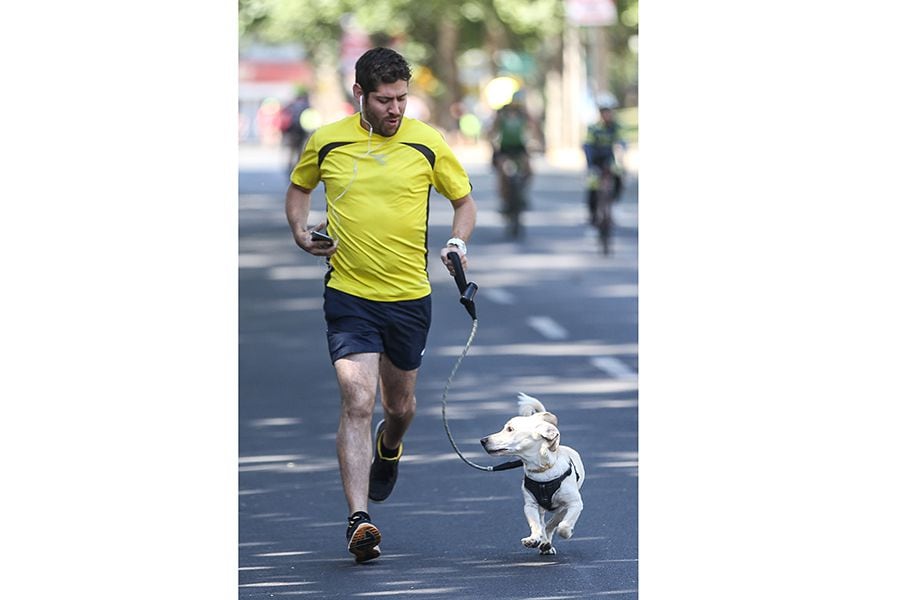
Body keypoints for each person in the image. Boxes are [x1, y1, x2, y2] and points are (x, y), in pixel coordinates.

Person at [284, 47, 477, 564]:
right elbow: (300, 189)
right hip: (349, 295)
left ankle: (389, 446)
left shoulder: (427, 142)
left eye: (402, 99)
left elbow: (464, 202)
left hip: (410, 297)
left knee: (399, 407)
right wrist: (301, 233)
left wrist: (458, 242)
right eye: (385, 100)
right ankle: (359, 519)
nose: (396, 110)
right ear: (360, 97)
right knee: (356, 399)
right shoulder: (328, 141)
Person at [583, 95, 626, 224]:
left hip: (609, 158)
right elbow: (588, 146)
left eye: (609, 111)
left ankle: (611, 202)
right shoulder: (594, 128)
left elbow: (622, 142)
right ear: (600, 113)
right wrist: (590, 165)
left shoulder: (616, 127)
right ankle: (592, 213)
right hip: (595, 159)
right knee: (592, 184)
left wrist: (621, 151)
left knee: (619, 176)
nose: (607, 114)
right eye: (604, 111)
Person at [489, 95, 534, 210]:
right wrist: (493, 145)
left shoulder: (523, 116)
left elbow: (534, 128)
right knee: (502, 172)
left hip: (519, 147)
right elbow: (492, 132)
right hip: (505, 148)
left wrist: (536, 143)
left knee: (529, 170)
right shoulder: (501, 116)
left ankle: (522, 193)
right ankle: (504, 199)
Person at [279, 90, 313, 175]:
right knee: (300, 151)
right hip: (302, 131)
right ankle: (297, 168)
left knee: (292, 151)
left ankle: (290, 167)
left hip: (291, 131)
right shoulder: (306, 105)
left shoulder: (291, 105)